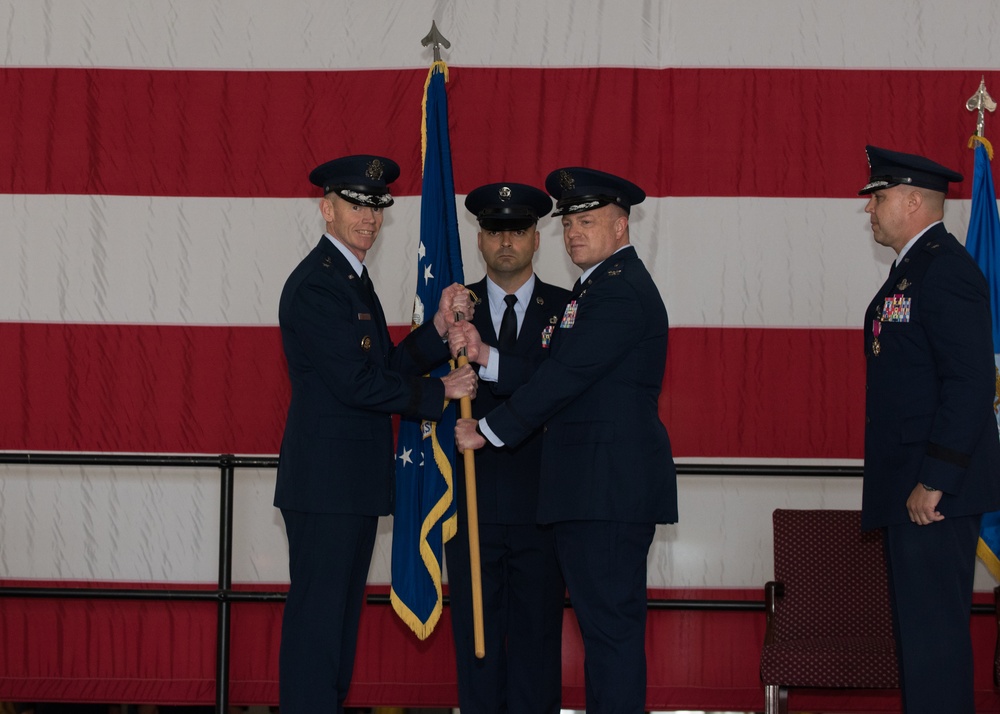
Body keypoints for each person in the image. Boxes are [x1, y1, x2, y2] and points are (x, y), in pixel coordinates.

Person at [454, 167, 678, 714]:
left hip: (607, 493)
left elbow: (563, 378)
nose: (575, 231)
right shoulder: (597, 287)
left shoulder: (619, 292)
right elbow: (553, 370)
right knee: (606, 640)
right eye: (570, 221)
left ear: (622, 227)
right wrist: (485, 357)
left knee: (610, 640)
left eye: (590, 220)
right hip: (590, 494)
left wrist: (487, 430)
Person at [274, 154, 478, 714]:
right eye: (355, 204)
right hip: (326, 487)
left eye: (375, 206)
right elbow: (356, 385)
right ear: (326, 208)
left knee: (337, 633)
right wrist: (442, 395)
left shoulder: (348, 278)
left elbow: (383, 365)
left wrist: (437, 332)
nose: (368, 217)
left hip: (350, 485)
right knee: (319, 633)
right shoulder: (319, 285)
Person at [858, 145, 1000, 713]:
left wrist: (935, 478)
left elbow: (970, 382)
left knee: (934, 642)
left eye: (880, 197)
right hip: (911, 484)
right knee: (920, 642)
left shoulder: (945, 269)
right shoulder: (914, 268)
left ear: (915, 201)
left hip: (933, 492)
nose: (870, 209)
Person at [445, 182, 570, 714]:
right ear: (480, 239)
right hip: (470, 504)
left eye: (517, 230)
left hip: (541, 506)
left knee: (537, 649)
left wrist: (489, 357)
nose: (506, 241)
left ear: (536, 239)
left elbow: (559, 388)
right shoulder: (452, 312)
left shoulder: (567, 309)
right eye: (495, 230)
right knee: (476, 649)